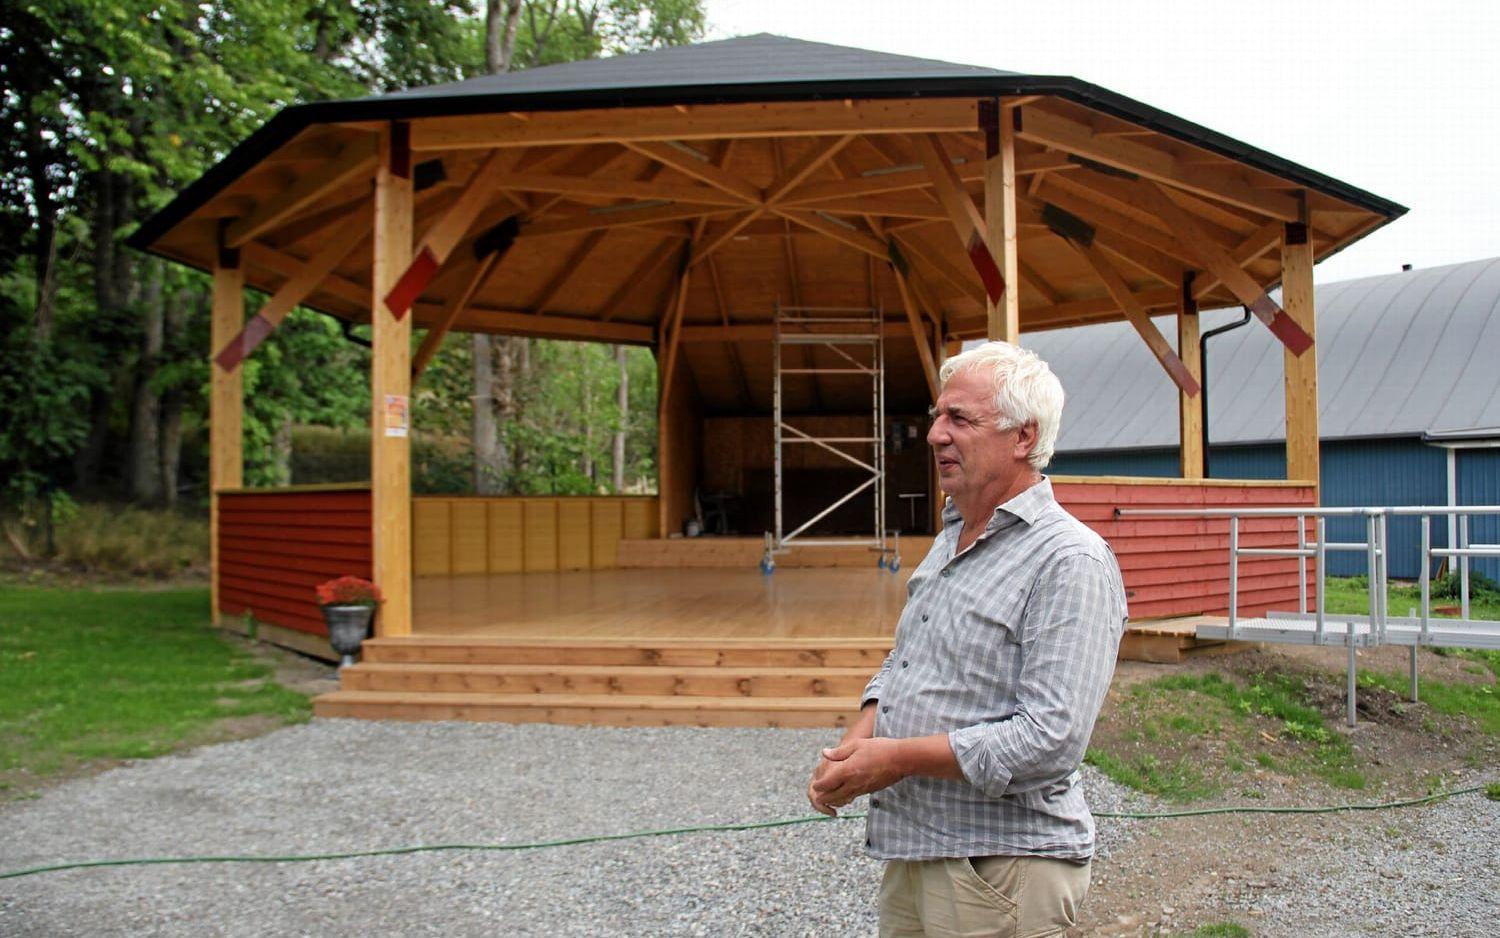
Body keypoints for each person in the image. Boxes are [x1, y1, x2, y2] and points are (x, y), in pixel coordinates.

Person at [808, 340, 1127, 938]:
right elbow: (908, 657)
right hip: (918, 852)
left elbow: (1051, 739)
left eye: (959, 418)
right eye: (937, 415)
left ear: (1024, 437)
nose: (934, 434)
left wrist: (896, 759)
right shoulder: (952, 534)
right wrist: (860, 740)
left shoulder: (1070, 559)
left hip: (1002, 867)